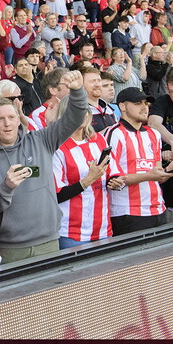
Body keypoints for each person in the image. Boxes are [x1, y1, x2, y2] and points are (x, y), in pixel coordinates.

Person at [0, 69, 88, 262]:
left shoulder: (41, 140)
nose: (7, 124)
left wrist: (78, 91)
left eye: (11, 118)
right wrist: (7, 186)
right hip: (10, 248)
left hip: (49, 242)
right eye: (0, 119)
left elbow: (74, 118)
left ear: (19, 119)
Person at [102, 88, 173, 235]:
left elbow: (157, 176)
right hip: (128, 213)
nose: (144, 107)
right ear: (122, 106)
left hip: (158, 209)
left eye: (146, 103)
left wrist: (170, 171)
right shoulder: (114, 133)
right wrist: (149, 176)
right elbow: (112, 180)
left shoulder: (154, 134)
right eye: (137, 103)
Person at [47, 95, 125, 249]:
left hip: (103, 228)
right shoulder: (57, 147)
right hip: (72, 232)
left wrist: (116, 181)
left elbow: (113, 171)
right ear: (65, 115)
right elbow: (57, 194)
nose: (83, 114)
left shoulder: (98, 140)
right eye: (76, 110)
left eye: (85, 110)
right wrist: (88, 180)